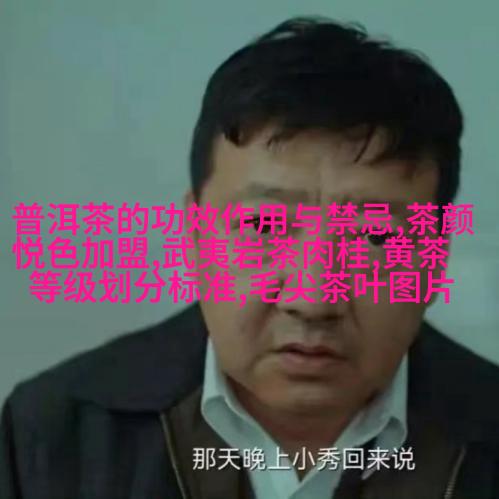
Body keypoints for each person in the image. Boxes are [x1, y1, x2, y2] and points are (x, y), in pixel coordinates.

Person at [1, 16, 498, 499]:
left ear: (434, 259)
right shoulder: (55, 435)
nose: (313, 299)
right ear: (194, 234)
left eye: (373, 235)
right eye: (263, 226)